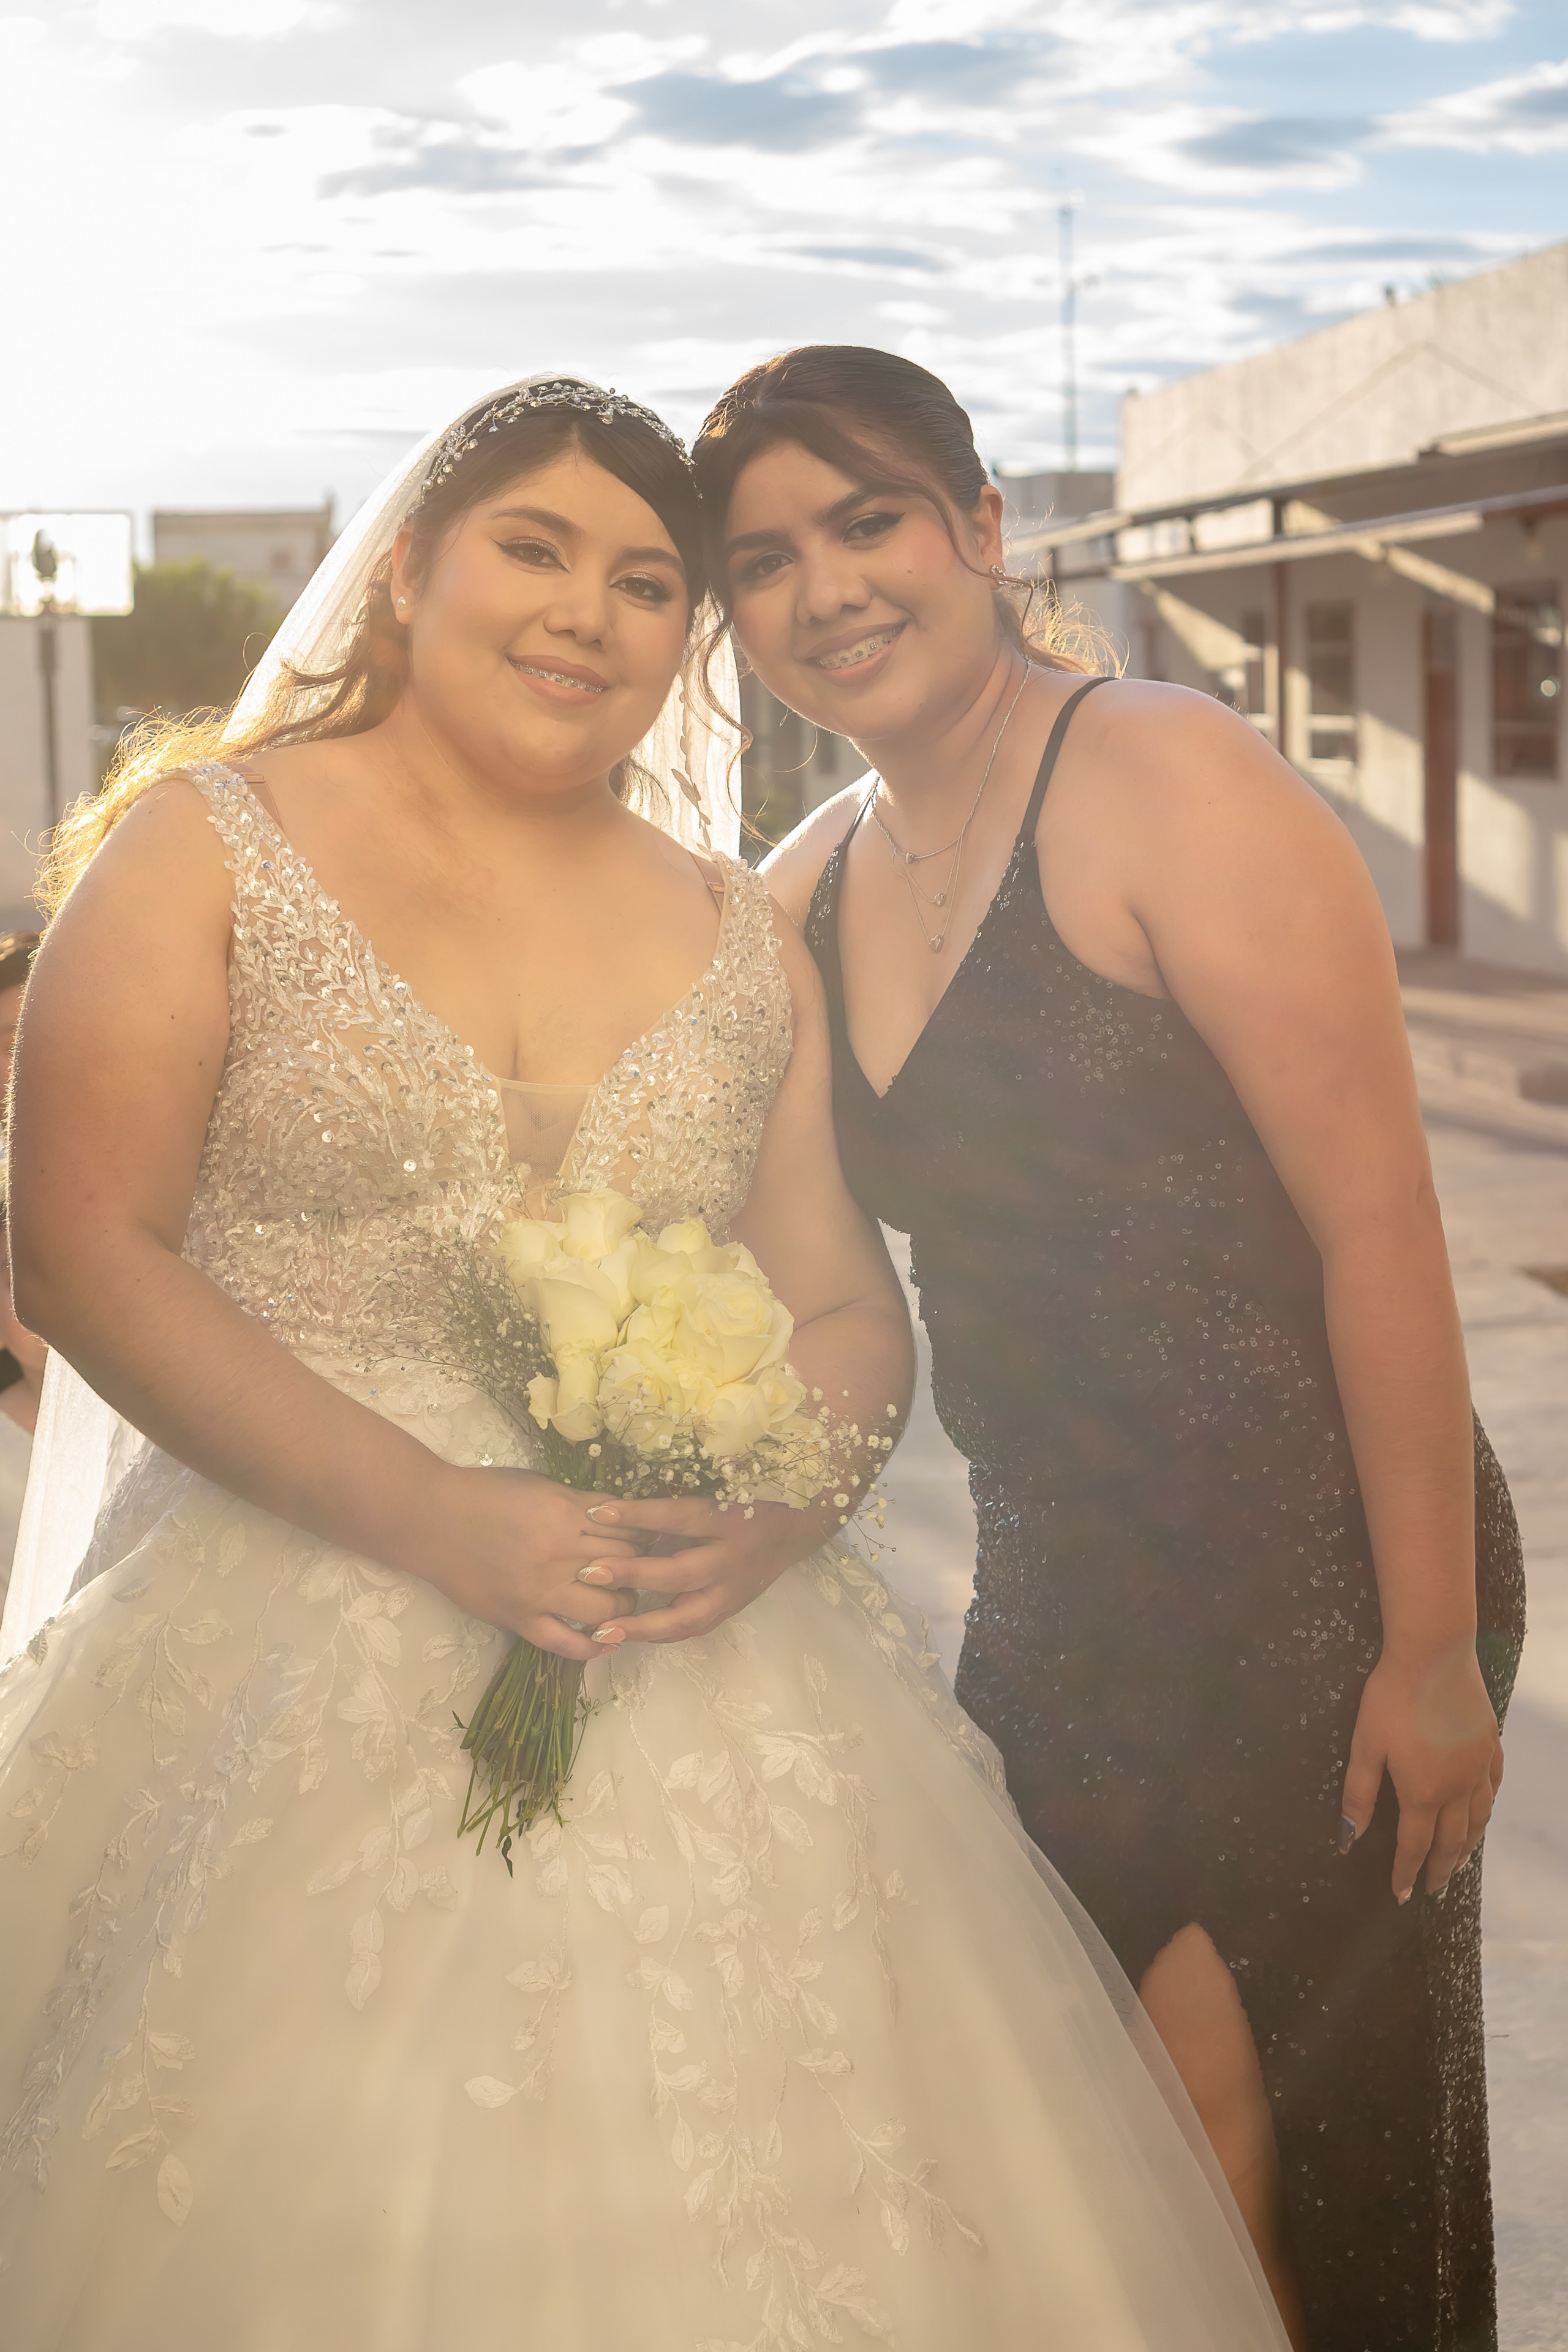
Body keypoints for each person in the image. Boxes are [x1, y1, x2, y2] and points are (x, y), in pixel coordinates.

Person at [0, 377, 1290, 2350]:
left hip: (709, 1650)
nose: (586, 615)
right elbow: (84, 1254)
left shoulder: (734, 931)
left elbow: (845, 1309)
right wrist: (437, 1516)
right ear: (410, 567)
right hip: (269, 1629)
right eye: (535, 550)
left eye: (646, 583)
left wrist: (780, 1516)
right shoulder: (201, 853)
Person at [704, 344, 1527, 2352]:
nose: (827, 589)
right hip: (1061, 1605)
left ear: (984, 528)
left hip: (1320, 1570)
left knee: (1282, 2149)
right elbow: (787, 1273)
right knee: (1126, 2172)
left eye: (870, 521)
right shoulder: (796, 895)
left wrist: (1432, 1646)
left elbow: (1381, 1227)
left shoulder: (1165, 773)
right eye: (764, 561)